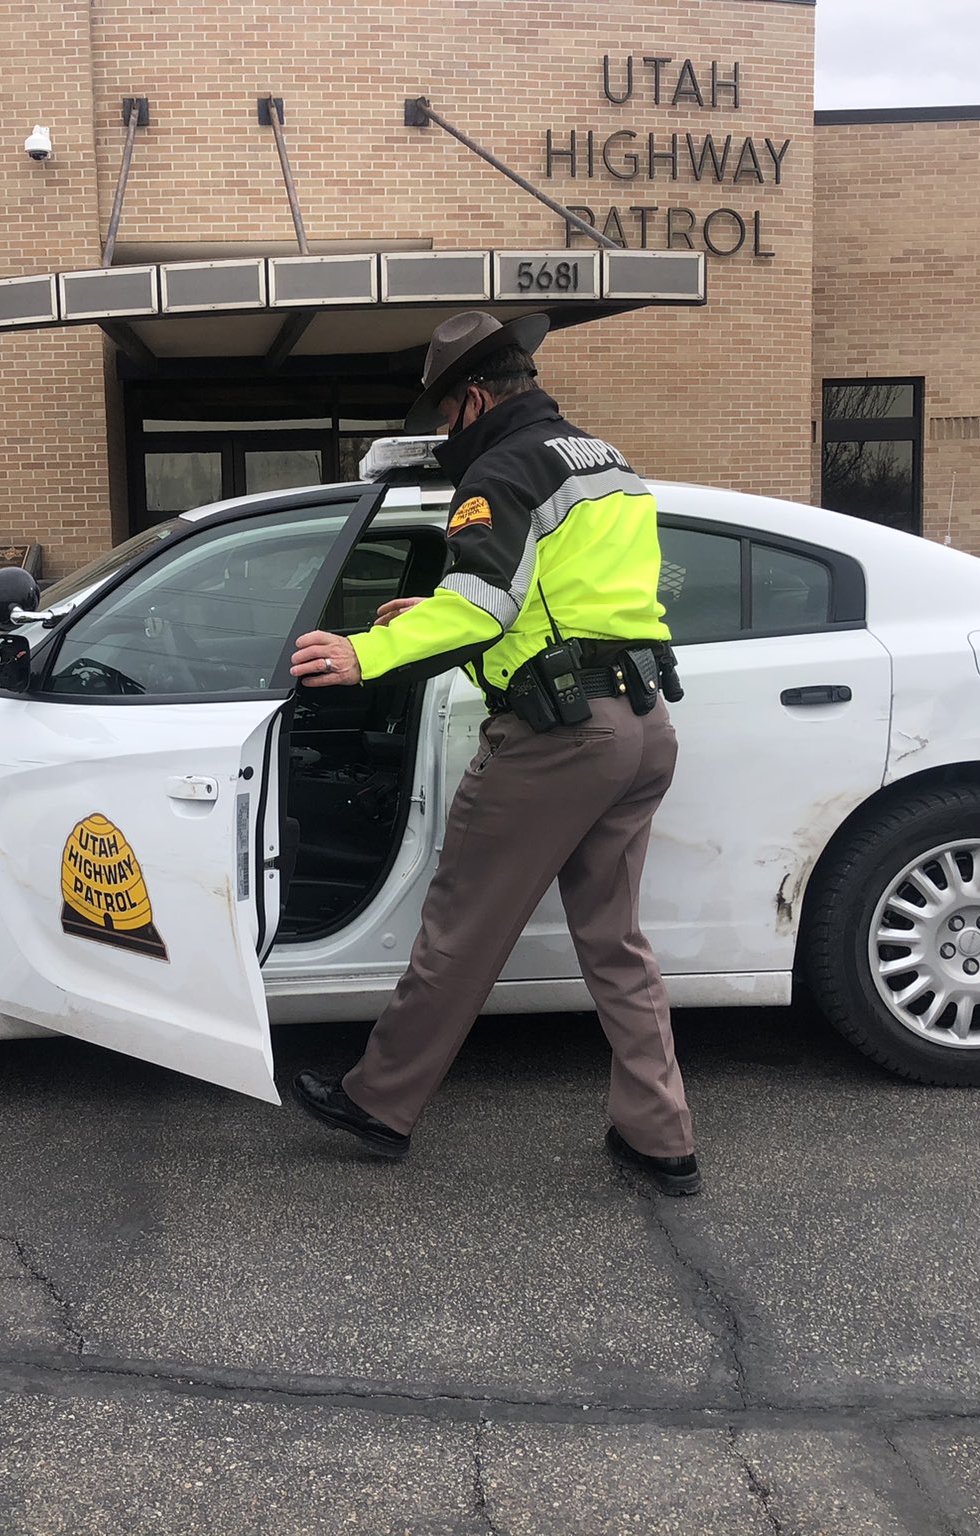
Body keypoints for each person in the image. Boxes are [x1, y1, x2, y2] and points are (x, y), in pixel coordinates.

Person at [287, 310, 699, 1196]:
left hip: (557, 738)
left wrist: (362, 652)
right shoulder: (607, 460)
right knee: (617, 942)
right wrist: (441, 624)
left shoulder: (503, 467)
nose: (445, 436)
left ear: (471, 399)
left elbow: (482, 603)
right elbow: (559, 598)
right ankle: (661, 1137)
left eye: (444, 419)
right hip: (639, 723)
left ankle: (378, 1102)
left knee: (460, 930)